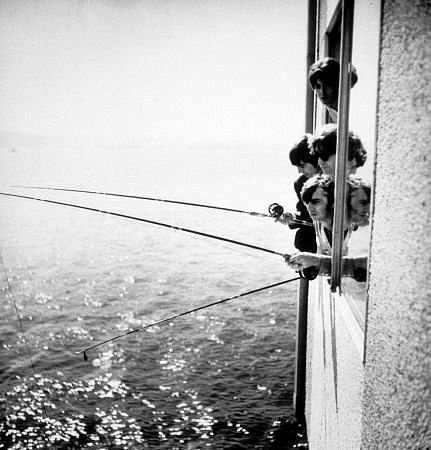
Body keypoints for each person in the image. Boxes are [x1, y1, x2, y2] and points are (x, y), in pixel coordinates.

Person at [286, 175, 371, 282]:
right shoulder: (319, 219)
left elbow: (373, 264)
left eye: (316, 202)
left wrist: (317, 262)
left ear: (332, 202)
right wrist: (309, 264)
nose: (309, 208)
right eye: (307, 202)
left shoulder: (361, 229)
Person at [276, 134, 320, 252]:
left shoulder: (334, 183)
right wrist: (292, 217)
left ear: (315, 160)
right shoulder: (300, 183)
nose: (299, 171)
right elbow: (304, 212)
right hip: (306, 248)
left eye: (302, 165)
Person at [308, 57, 358, 122]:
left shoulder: (352, 109)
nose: (322, 92)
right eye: (318, 86)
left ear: (336, 84)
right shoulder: (322, 115)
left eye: (327, 86)